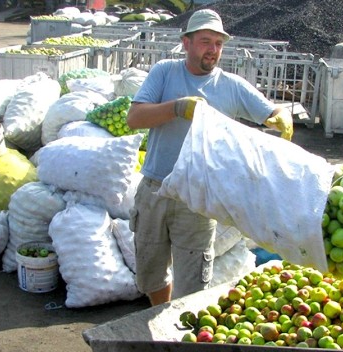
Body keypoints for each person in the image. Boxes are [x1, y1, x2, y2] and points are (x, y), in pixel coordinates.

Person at [126, 9, 294, 306]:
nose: (213, 49)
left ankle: (177, 334)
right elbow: (135, 117)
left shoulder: (230, 86)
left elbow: (272, 111)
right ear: (186, 43)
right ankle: (159, 313)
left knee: (193, 281)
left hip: (198, 198)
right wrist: (177, 108)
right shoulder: (165, 72)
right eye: (205, 41)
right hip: (156, 188)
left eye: (218, 43)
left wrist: (282, 117)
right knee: (150, 273)